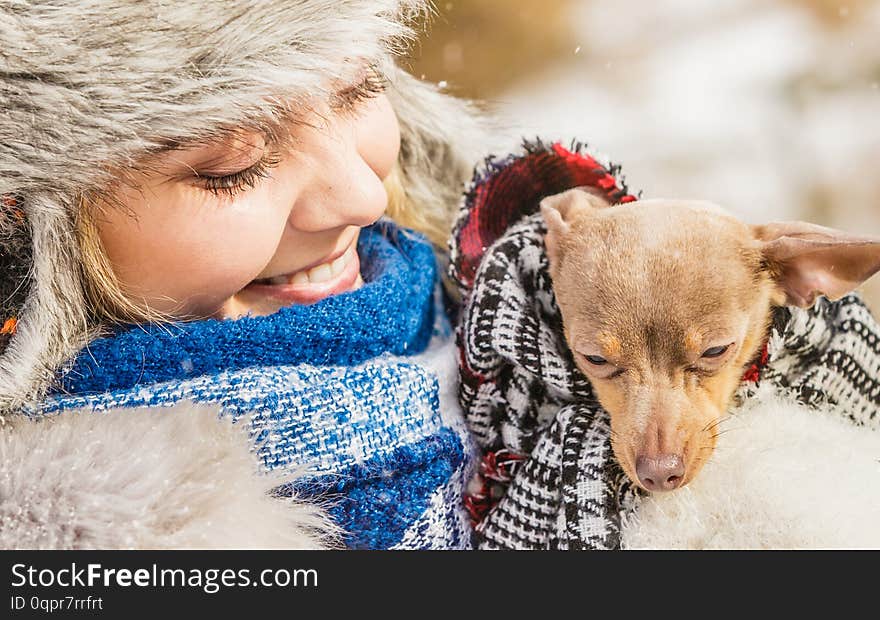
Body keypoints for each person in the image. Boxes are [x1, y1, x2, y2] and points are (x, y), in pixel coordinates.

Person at [0, 0, 490, 549]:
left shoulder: (527, 326)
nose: (363, 196)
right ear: (30, 233)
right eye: (234, 169)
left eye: (359, 88)